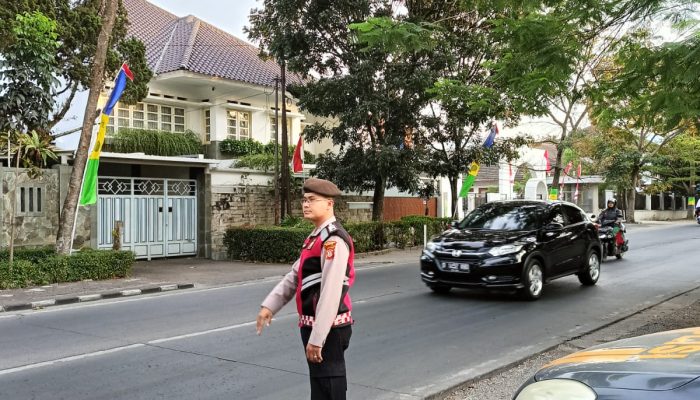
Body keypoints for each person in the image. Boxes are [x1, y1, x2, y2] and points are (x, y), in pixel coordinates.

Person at [256, 178, 355, 400]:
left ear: (329, 204)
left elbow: (331, 292)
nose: (305, 205)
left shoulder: (334, 240)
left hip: (329, 329)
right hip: (315, 326)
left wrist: (318, 338)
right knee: (321, 388)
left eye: (311, 200)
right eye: (304, 200)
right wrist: (269, 306)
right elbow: (294, 276)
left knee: (329, 390)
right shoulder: (316, 238)